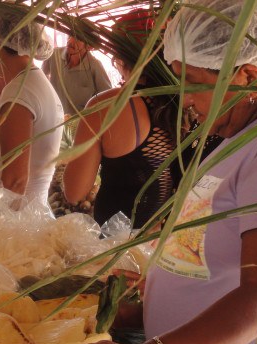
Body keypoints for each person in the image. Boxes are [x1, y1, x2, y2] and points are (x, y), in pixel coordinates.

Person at [75, 1, 257, 344]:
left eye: (193, 83)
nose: (184, 99)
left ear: (245, 75)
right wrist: (144, 301)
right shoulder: (239, 135)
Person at [62, 10, 176, 228]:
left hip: (118, 241)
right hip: (165, 237)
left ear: (121, 54)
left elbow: (75, 192)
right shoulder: (188, 100)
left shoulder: (107, 106)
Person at [0, 13, 63, 203]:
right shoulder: (32, 83)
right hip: (26, 216)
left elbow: (14, 182)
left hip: (15, 222)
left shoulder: (20, 93)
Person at [41, 33, 112, 117]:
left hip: (80, 122)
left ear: (89, 47)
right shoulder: (54, 55)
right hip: (55, 118)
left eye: (78, 39)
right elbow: (41, 77)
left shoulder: (95, 66)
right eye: (70, 36)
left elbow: (108, 97)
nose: (70, 41)